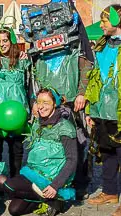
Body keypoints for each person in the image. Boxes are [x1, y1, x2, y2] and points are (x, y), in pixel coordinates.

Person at [20, 0, 94, 200]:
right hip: (46, 103)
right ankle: (47, 180)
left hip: (71, 103)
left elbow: (86, 63)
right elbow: (33, 73)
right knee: (46, 142)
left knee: (79, 142)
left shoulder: (74, 33)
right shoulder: (38, 36)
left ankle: (80, 183)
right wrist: (34, 100)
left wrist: (82, 92)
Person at [4, 88, 77, 216]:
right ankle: (49, 200)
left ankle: (55, 195)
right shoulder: (38, 123)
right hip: (35, 172)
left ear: (55, 104)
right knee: (14, 210)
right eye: (39, 102)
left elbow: (72, 160)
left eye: (46, 103)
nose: (41, 106)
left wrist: (55, 185)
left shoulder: (65, 127)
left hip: (51, 177)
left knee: (9, 185)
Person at [85, 4, 121, 216]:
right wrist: (91, 108)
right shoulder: (102, 45)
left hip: (118, 109)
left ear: (117, 21)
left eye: (105, 21)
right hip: (102, 109)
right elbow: (94, 78)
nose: (101, 25)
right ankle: (109, 192)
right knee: (107, 151)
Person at [0, 27, 31, 177]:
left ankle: (15, 182)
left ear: (12, 41)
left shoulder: (22, 61)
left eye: (5, 40)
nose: (2, 44)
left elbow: (29, 86)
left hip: (17, 114)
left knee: (17, 150)